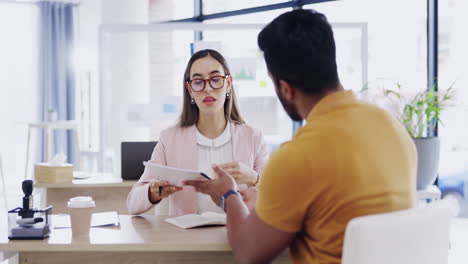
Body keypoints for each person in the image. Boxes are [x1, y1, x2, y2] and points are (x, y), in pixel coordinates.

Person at [184, 9, 417, 264]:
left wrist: (228, 196)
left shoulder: (297, 155)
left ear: (286, 88)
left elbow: (248, 252)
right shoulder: (391, 126)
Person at [127, 49, 268, 216]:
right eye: (198, 81)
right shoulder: (169, 139)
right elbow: (132, 204)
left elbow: (278, 198)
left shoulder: (253, 137)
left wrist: (254, 178)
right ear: (190, 89)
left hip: (236, 237)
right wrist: (153, 192)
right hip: (187, 239)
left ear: (228, 83)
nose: (208, 88)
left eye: (215, 79)